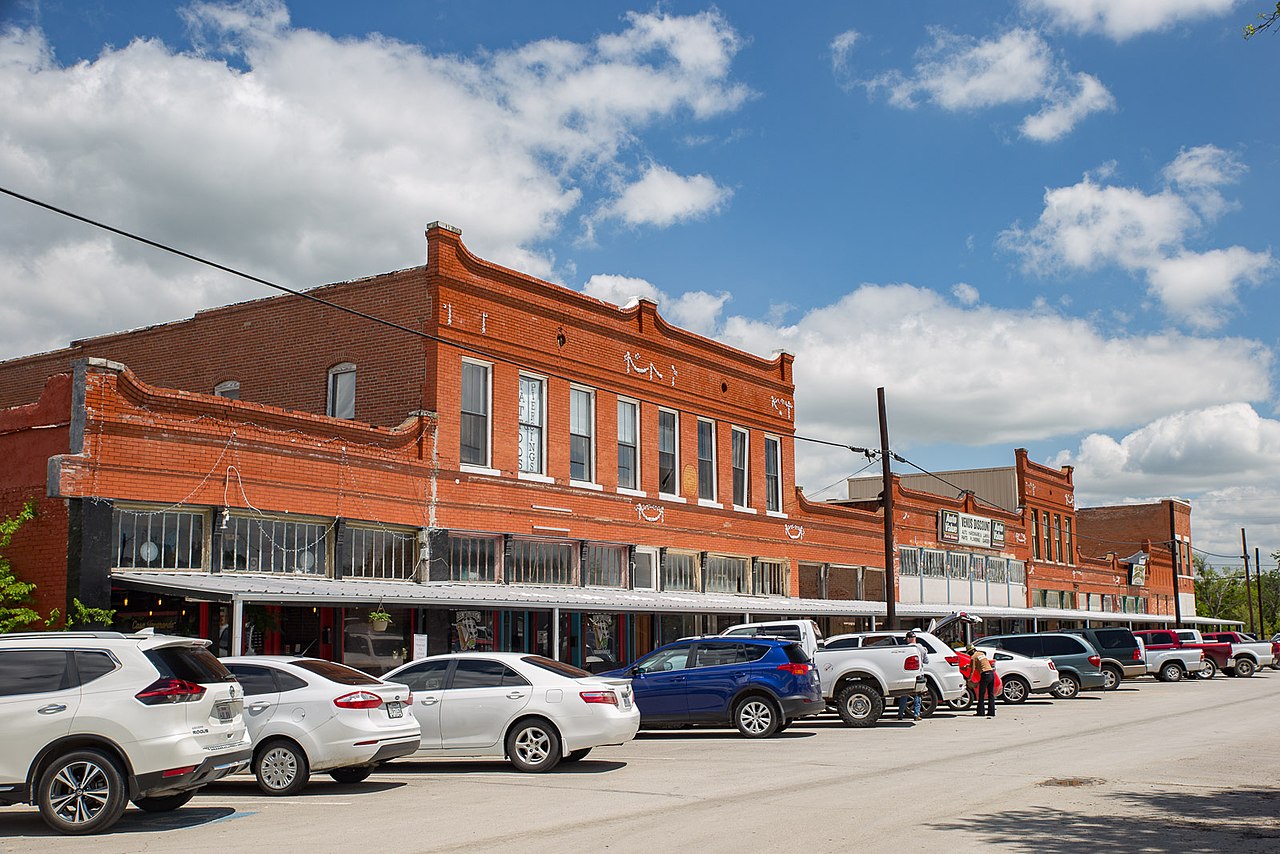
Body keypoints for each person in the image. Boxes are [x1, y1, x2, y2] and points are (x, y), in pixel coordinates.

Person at [897, 630, 929, 722]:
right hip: (919, 674)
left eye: (906, 638)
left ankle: (900, 714)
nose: (906, 640)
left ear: (909, 638)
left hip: (907, 674)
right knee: (917, 695)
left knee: (904, 694)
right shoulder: (922, 648)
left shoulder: (906, 649)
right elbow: (927, 661)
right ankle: (916, 714)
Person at [968, 643, 996, 718]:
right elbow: (980, 664)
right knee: (991, 694)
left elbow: (972, 670)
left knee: (981, 694)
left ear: (970, 652)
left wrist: (969, 679)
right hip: (991, 673)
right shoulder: (981, 654)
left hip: (985, 675)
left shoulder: (973, 657)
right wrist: (967, 666)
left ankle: (980, 712)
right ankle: (991, 712)